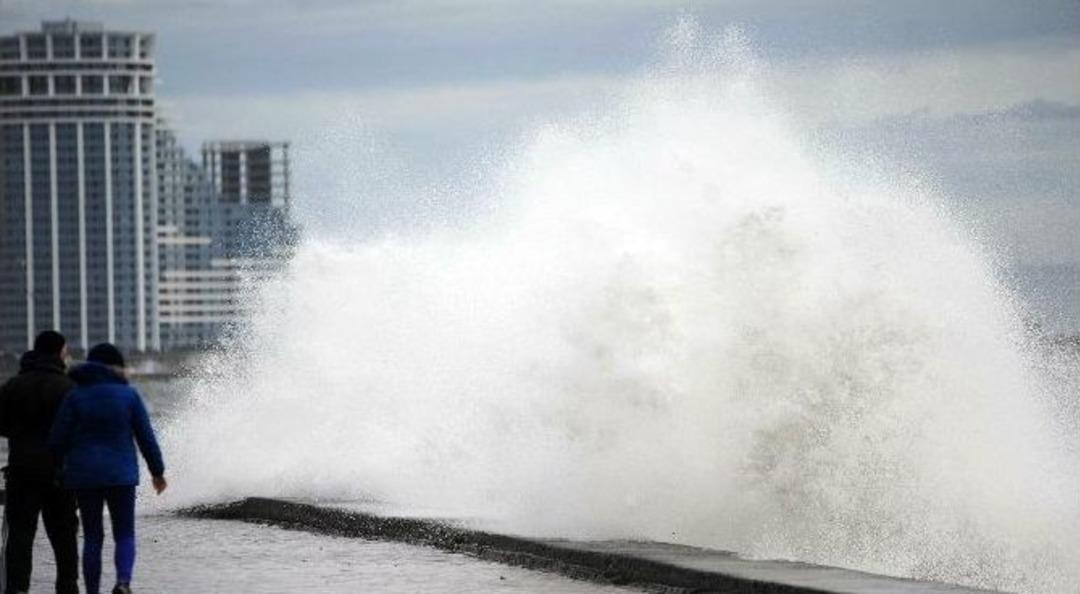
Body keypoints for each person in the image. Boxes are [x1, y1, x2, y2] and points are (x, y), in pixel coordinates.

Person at [49, 344, 166, 594]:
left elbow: (58, 440)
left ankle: (92, 590)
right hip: (121, 475)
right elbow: (146, 437)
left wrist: (59, 469)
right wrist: (157, 472)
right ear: (117, 367)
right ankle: (123, 582)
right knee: (124, 532)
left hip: (83, 476)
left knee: (92, 536)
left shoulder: (74, 397)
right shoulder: (129, 396)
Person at [0, 330, 79, 594]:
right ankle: (67, 587)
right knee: (64, 537)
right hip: (59, 473)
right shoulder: (68, 388)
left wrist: (19, 433)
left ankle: (17, 589)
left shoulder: (14, 385)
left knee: (20, 537)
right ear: (59, 352)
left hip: (21, 471)